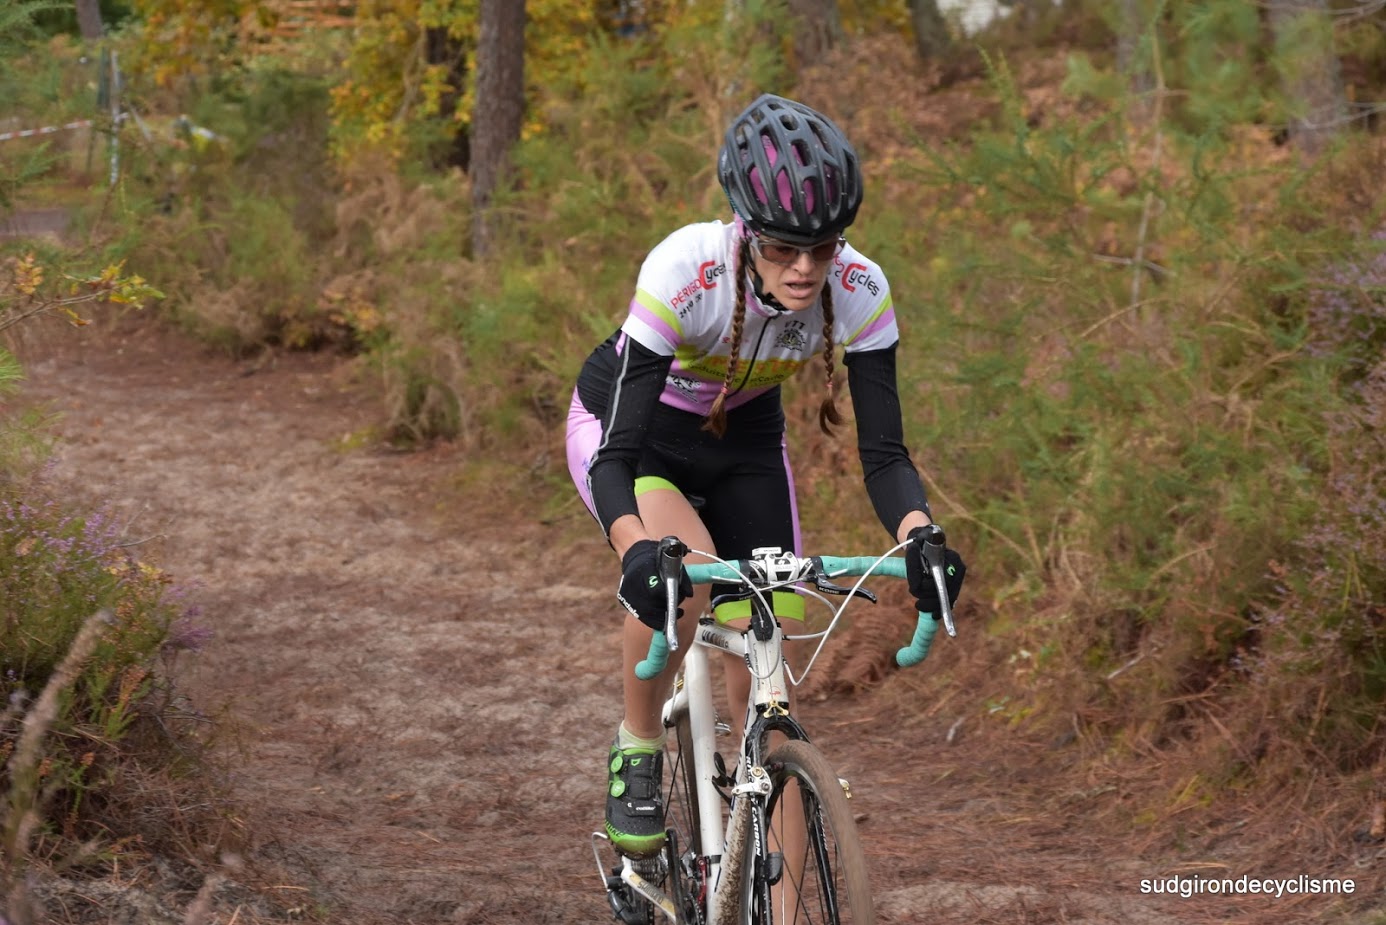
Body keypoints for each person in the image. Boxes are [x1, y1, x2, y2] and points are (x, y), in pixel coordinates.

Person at [564, 93, 967, 859]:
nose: (807, 267)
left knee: (770, 662)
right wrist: (635, 551)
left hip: (745, 441)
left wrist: (921, 536)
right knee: (682, 586)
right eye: (784, 248)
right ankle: (638, 746)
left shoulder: (860, 287)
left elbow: (884, 456)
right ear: (746, 230)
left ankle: (774, 862)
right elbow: (617, 455)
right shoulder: (685, 269)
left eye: (825, 245)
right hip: (636, 439)